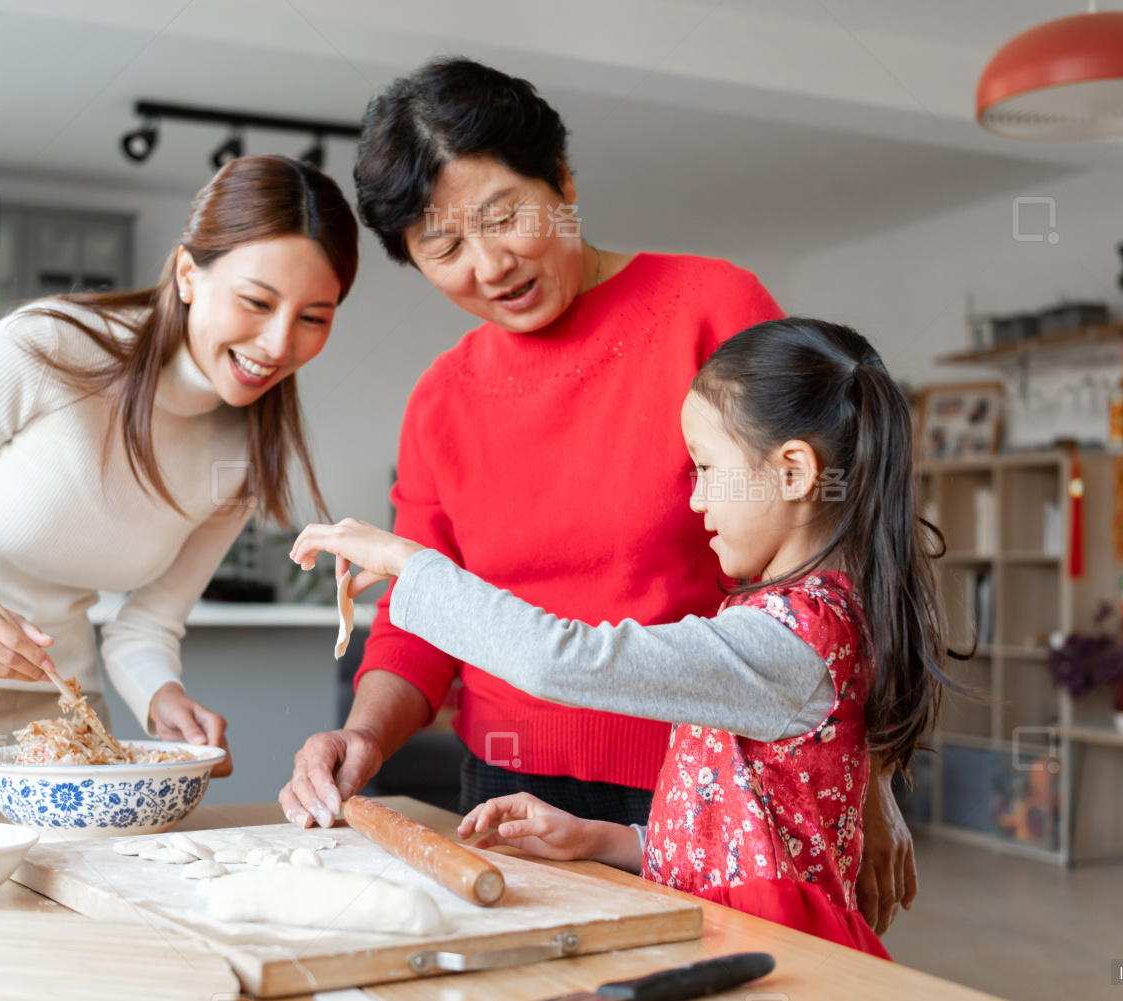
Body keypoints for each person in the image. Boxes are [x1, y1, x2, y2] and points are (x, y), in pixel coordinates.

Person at [279, 56, 918, 933]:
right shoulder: (441, 398)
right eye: (445, 247)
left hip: (706, 779)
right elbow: (414, 618)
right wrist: (364, 735)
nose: (490, 263)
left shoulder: (713, 308)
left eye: (506, 217)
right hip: (505, 793)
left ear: (566, 183)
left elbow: (838, 553)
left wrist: (868, 778)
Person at [289, 317, 952, 957]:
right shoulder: (799, 623)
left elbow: (561, 659)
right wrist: (598, 838)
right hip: (732, 935)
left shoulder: (788, 639)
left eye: (706, 468)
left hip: (770, 957)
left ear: (793, 472)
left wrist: (410, 563)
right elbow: (741, 840)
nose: (695, 502)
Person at [0, 155, 359, 821]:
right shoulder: (48, 350)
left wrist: (163, 697)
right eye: (257, 301)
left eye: (314, 316)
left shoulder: (244, 452)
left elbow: (147, 621)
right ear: (189, 274)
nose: (277, 342)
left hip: (56, 708)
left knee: (71, 913)